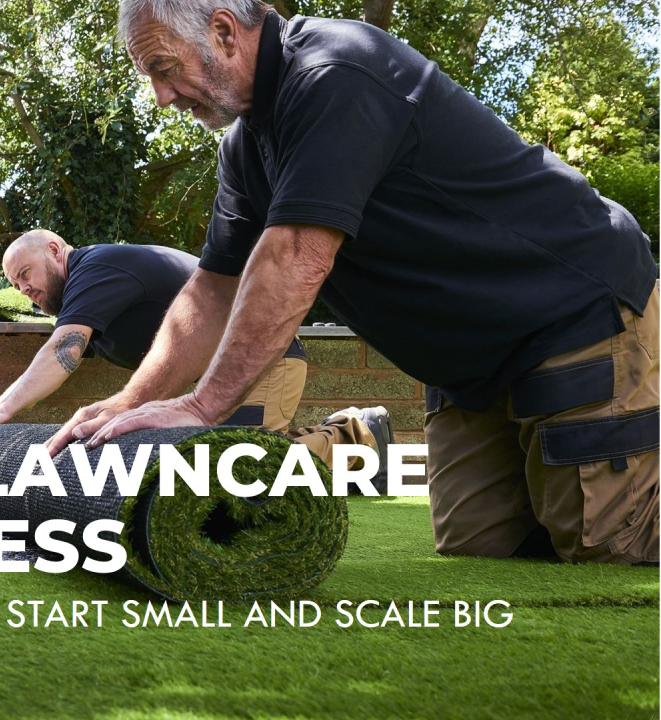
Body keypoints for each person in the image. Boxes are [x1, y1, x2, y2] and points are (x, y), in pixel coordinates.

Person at [46, 0, 659, 565]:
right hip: (469, 369)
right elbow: (212, 290)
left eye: (163, 68)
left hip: (571, 312)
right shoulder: (245, 146)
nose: (159, 97)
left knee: (607, 542)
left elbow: (294, 256)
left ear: (224, 32)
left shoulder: (336, 73)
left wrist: (205, 407)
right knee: (482, 547)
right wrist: (129, 407)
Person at [0, 229, 391, 485]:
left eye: (25, 274)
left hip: (265, 359)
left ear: (55, 250)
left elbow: (60, 354)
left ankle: (358, 435)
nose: (25, 290)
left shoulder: (95, 268)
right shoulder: (87, 296)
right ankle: (336, 434)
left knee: (240, 468)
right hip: (219, 381)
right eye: (16, 285)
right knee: (205, 465)